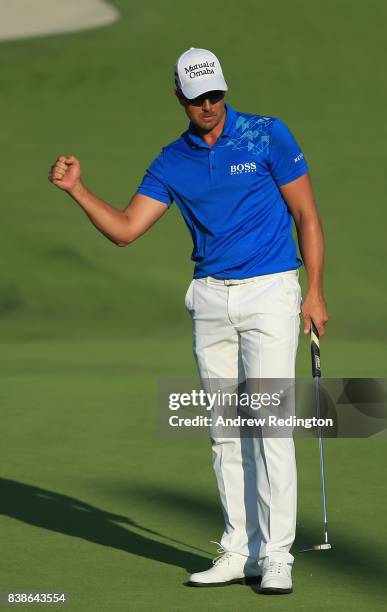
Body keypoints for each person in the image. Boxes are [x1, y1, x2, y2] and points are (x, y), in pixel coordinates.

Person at [48, 47, 328, 595]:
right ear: (179, 95)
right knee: (225, 430)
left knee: (267, 425)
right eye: (197, 96)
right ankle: (238, 549)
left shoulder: (267, 135)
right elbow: (128, 228)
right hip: (208, 300)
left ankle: (276, 556)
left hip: (271, 290)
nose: (209, 104)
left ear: (225, 87)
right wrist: (78, 190)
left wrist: (314, 290)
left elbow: (306, 215)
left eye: (216, 93)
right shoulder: (171, 161)